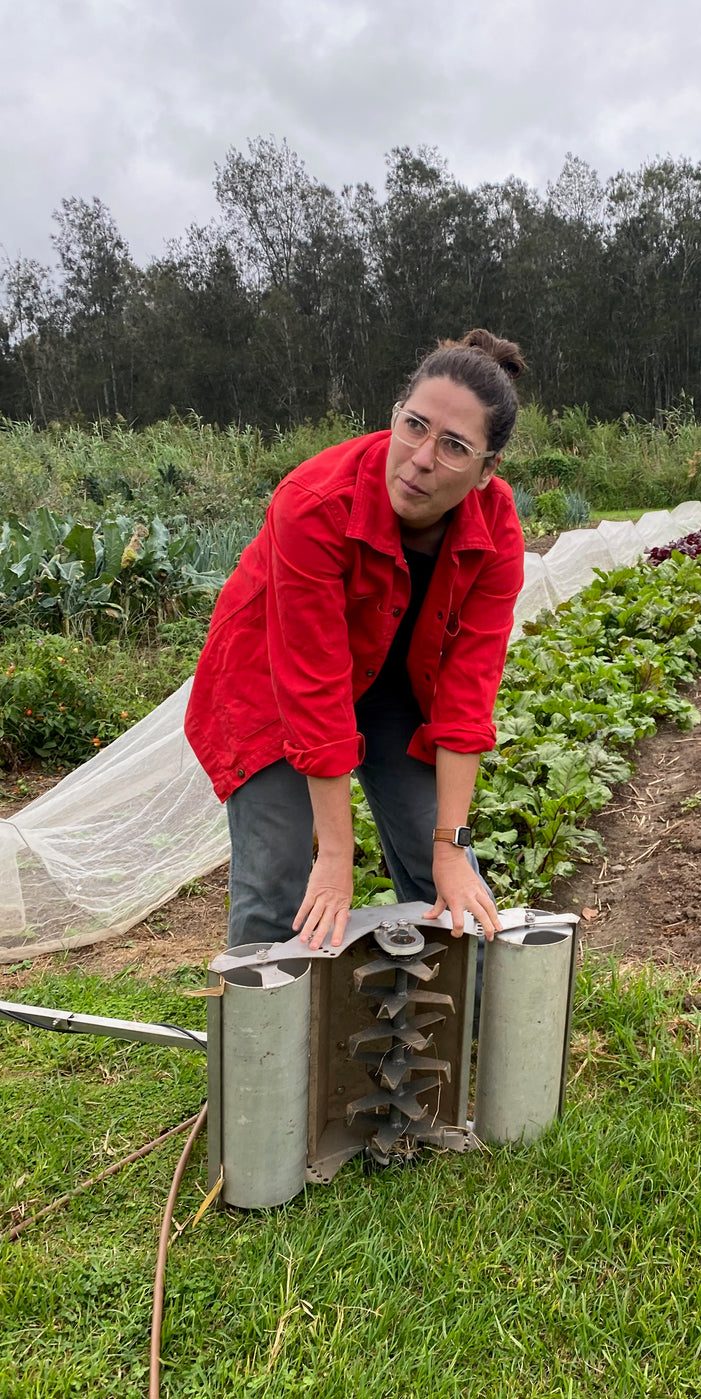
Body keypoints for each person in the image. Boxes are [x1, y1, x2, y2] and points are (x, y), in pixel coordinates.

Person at [184, 329, 527, 955]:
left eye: (454, 446)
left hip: (395, 687)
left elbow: (467, 692)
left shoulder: (498, 529)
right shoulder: (315, 503)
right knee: (281, 884)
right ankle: (264, 1047)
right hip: (272, 680)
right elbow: (313, 685)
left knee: (448, 875)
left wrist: (451, 845)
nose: (422, 459)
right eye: (415, 426)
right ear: (395, 416)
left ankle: (449, 1035)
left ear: (486, 471)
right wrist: (336, 854)